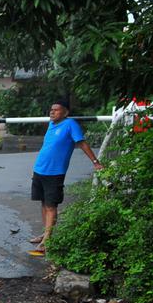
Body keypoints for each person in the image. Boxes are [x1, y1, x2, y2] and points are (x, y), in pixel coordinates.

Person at [28, 99, 103, 257]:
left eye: (56, 110)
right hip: (39, 170)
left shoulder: (70, 125)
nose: (52, 112)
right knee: (43, 203)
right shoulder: (51, 124)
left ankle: (47, 241)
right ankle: (45, 233)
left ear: (65, 113)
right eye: (51, 109)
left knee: (51, 206)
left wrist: (96, 162)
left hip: (55, 173)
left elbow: (82, 143)